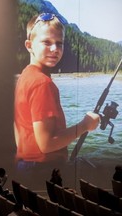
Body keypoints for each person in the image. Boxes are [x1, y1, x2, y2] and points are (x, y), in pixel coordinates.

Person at [14, 13, 100, 165]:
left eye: (59, 43)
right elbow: (47, 144)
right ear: (29, 45)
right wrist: (85, 125)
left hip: (26, 164)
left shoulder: (25, 77)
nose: (54, 49)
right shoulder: (42, 83)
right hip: (41, 170)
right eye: (46, 42)